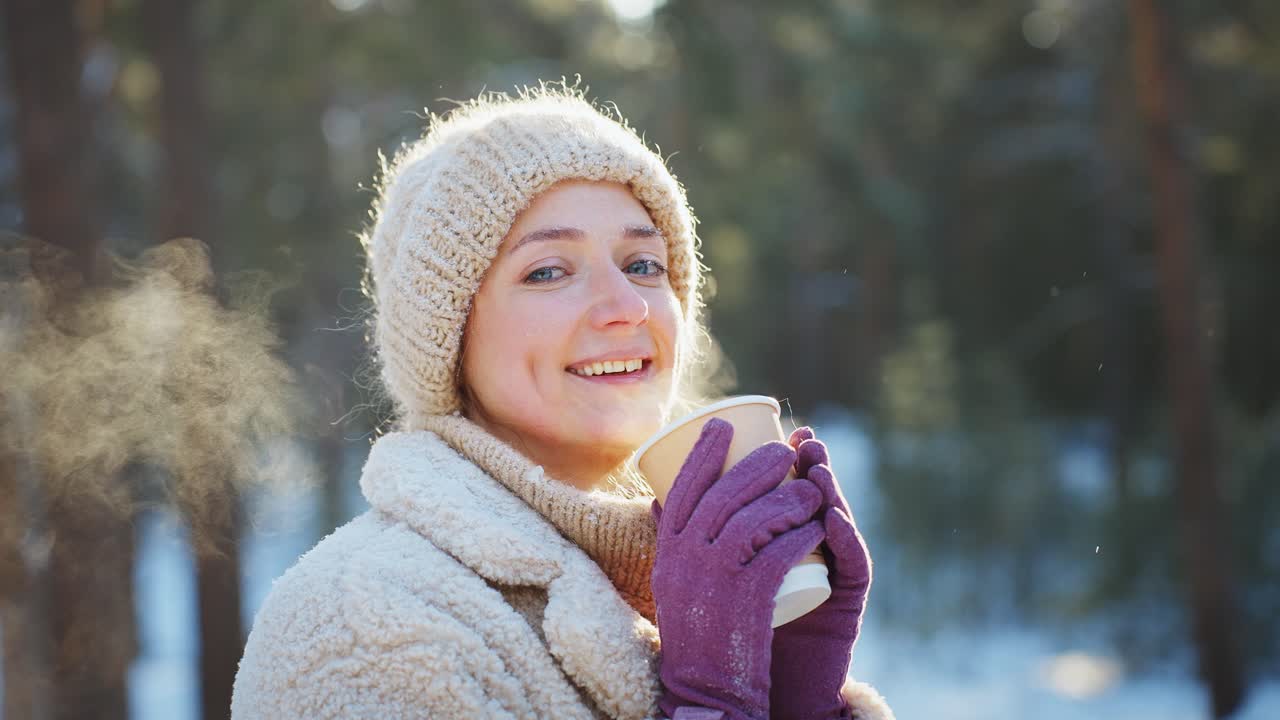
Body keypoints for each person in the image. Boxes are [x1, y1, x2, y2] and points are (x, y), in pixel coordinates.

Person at [230, 83, 894, 720]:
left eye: (643, 264)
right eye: (548, 271)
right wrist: (708, 705)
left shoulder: (671, 590)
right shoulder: (360, 629)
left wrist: (798, 697)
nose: (628, 306)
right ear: (447, 337)